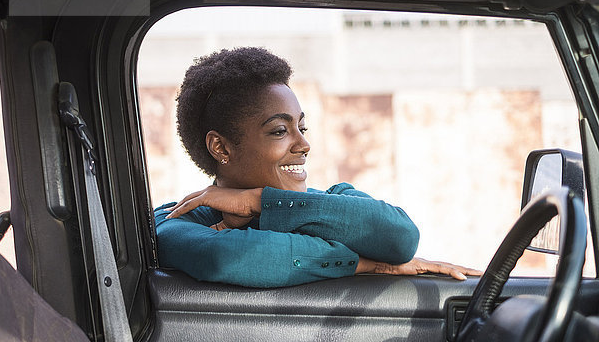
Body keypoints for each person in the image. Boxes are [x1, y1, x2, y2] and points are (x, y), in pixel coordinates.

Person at [154, 47, 480, 288]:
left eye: (302, 127)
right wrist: (369, 264)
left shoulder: (337, 197)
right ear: (221, 147)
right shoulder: (172, 223)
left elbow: (400, 238)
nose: (304, 144)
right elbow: (233, 258)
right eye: (280, 131)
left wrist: (258, 203)